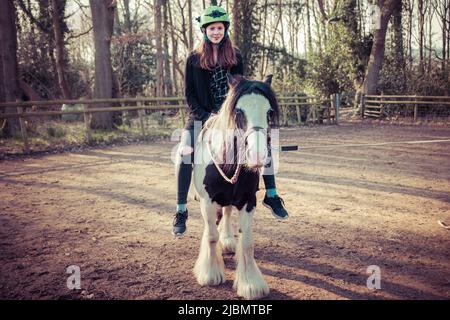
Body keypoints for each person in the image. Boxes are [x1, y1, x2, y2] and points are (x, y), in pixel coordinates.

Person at [173, 5, 289, 237]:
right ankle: (181, 209)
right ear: (204, 30)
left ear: (225, 30)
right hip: (201, 115)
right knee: (184, 151)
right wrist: (207, 117)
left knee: (263, 142)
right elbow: (190, 94)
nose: (216, 32)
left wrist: (231, 115)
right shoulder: (194, 58)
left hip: (232, 116)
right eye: (211, 28)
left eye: (219, 28)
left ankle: (272, 195)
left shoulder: (235, 55)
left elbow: (240, 89)